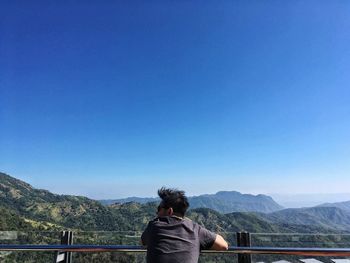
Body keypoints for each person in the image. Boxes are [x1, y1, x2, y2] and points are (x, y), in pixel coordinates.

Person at [141, 187, 228, 263]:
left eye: (159, 208)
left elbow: (142, 242)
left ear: (170, 211)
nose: (157, 212)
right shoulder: (195, 229)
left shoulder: (154, 226)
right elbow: (224, 246)